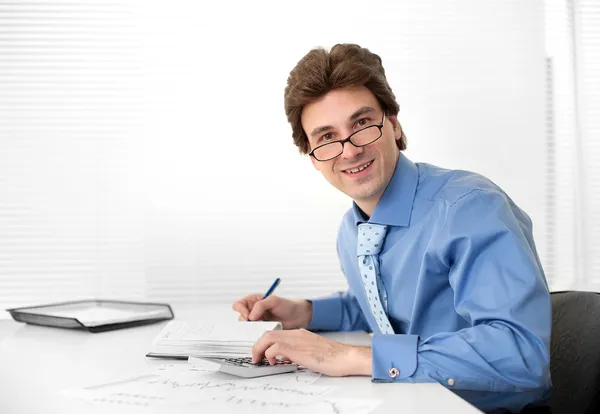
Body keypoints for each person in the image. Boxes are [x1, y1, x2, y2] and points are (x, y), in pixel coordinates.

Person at [232, 43, 552, 414]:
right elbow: (382, 308)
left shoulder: (469, 209)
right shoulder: (351, 230)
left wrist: (351, 357)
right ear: (313, 158)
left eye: (362, 124)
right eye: (326, 138)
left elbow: (521, 354)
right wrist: (302, 312)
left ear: (394, 125)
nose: (349, 151)